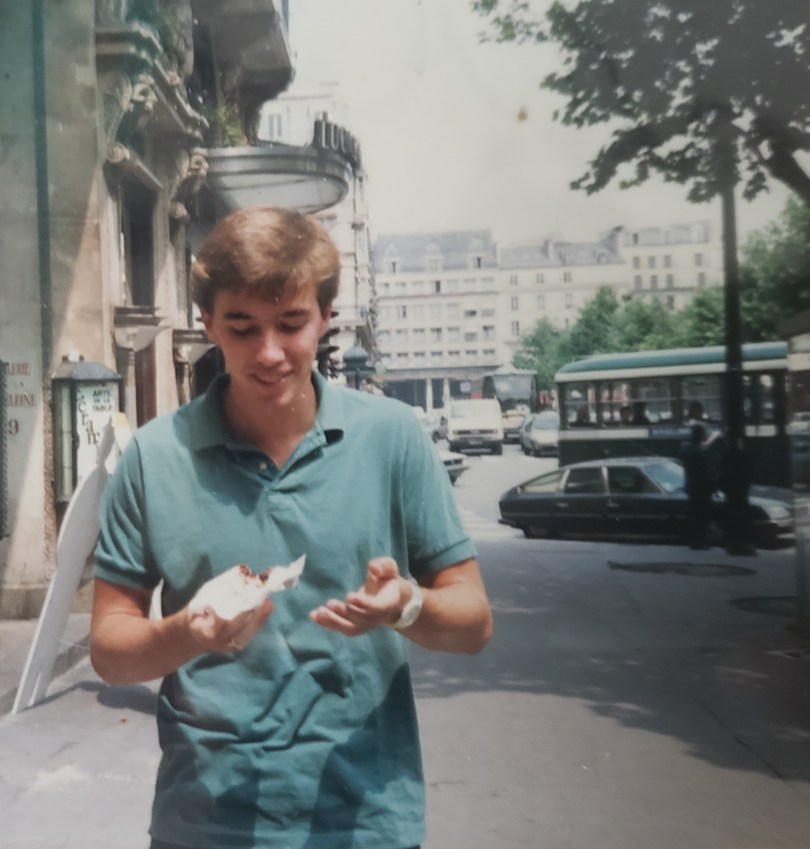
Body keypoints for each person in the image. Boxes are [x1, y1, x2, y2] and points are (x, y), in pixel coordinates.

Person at [90, 206, 493, 849]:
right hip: (205, 822)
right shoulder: (154, 456)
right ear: (208, 326)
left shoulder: (391, 438)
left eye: (291, 323)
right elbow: (110, 651)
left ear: (326, 317)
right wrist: (187, 632)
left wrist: (405, 605)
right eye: (243, 327)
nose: (270, 352)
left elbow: (474, 622)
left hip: (366, 820)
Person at [680, 423, 716, 549]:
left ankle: (693, 541)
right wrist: (713, 486)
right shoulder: (701, 451)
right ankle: (700, 542)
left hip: (691, 487)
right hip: (703, 488)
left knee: (693, 515)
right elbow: (708, 471)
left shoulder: (686, 448)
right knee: (702, 516)